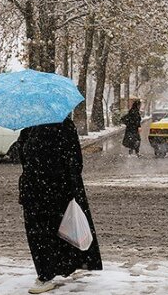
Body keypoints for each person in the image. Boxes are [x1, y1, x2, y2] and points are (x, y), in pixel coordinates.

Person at [17, 117, 102, 294]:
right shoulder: (49, 125)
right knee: (52, 230)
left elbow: (25, 154)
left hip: (45, 188)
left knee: (42, 232)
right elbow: (74, 159)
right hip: (48, 188)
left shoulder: (39, 125)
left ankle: (47, 273)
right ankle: (56, 268)